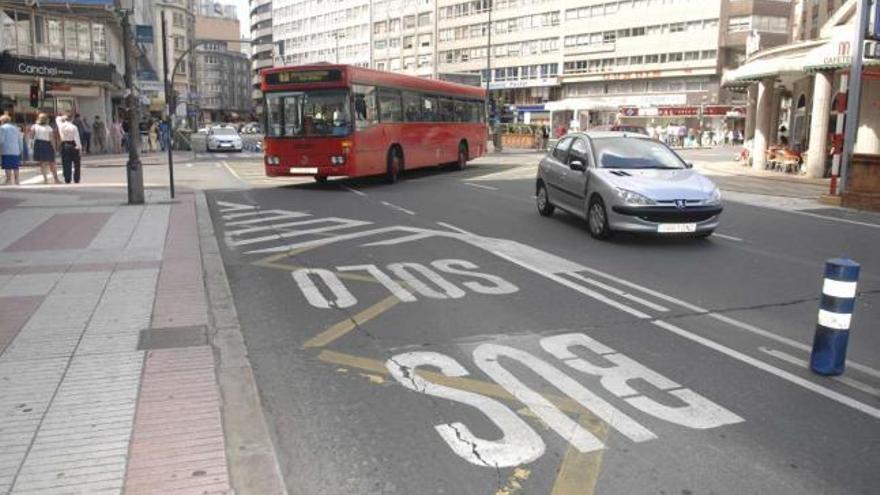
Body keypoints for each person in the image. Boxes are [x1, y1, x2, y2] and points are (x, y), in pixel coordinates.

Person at [29, 113, 61, 184]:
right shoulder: (49, 128)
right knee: (52, 162)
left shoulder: (34, 126)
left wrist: (31, 145)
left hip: (38, 144)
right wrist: (54, 148)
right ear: (46, 119)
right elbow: (52, 139)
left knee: (43, 163)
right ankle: (56, 179)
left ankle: (45, 179)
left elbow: (31, 137)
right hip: (47, 144)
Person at [57, 114, 83, 183]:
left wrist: (63, 117)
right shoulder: (74, 127)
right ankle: (76, 178)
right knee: (76, 163)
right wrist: (79, 148)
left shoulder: (61, 126)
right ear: (72, 119)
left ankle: (67, 178)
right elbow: (77, 138)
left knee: (66, 163)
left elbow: (57, 119)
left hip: (65, 144)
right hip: (73, 144)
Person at [0, 115, 23, 185]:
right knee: (15, 166)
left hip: (6, 149)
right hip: (15, 149)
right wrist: (21, 149)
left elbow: (1, 140)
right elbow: (20, 139)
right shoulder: (15, 128)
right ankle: (17, 180)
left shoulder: (2, 128)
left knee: (8, 166)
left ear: (2, 121)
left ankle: (8, 180)